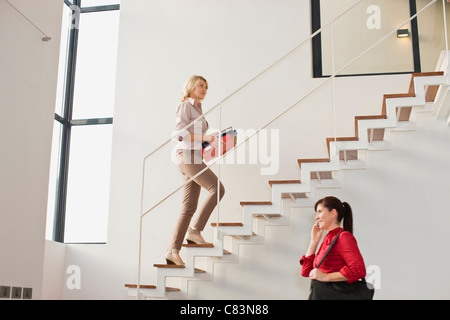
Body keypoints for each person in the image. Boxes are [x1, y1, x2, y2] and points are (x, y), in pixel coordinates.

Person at [165, 75, 225, 266]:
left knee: (189, 207)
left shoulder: (199, 109)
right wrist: (205, 137)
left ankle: (173, 251)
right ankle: (195, 231)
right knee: (217, 189)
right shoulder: (185, 106)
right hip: (186, 156)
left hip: (194, 156)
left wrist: (211, 139)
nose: (204, 89)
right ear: (191, 87)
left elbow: (196, 138)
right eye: (200, 85)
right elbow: (178, 134)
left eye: (206, 87)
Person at [299, 196, 367, 299]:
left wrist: (326, 277)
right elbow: (306, 271)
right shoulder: (328, 238)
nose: (316, 217)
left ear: (333, 213)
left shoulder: (343, 237)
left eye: (320, 211)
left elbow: (359, 270)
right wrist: (314, 241)